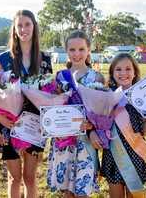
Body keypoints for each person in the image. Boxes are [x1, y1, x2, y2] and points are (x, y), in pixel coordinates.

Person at [0, 10, 52, 198]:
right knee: (14, 178)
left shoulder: (45, 60)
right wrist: (0, 116)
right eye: (19, 25)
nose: (24, 29)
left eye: (27, 24)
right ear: (14, 29)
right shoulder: (4, 59)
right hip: (10, 124)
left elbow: (50, 94)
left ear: (34, 27)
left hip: (34, 126)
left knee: (30, 178)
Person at [47, 30, 103, 197]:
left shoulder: (97, 78)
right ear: (66, 51)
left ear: (88, 50)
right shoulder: (59, 77)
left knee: (81, 191)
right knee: (66, 191)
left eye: (81, 49)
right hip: (63, 140)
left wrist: (92, 126)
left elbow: (103, 114)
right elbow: (52, 109)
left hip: (85, 141)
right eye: (72, 50)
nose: (76, 54)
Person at [101, 53, 146, 198]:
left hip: (134, 154)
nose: (123, 73)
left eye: (128, 69)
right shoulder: (106, 97)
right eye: (118, 69)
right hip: (113, 156)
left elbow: (144, 131)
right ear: (112, 73)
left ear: (135, 72)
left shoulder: (142, 99)